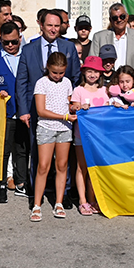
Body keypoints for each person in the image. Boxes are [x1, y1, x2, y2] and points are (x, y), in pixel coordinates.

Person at [16, 10, 81, 200]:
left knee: (63, 158)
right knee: (38, 155)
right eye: (49, 25)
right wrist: (23, 111)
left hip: (63, 111)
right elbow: (21, 81)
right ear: (41, 25)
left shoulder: (68, 47)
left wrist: (72, 103)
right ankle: (37, 194)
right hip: (36, 109)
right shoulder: (29, 49)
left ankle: (64, 193)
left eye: (56, 25)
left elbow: (75, 77)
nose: (53, 29)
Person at [30, 52, 75, 222]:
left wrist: (76, 106)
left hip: (64, 129)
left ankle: (59, 202)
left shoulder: (67, 83)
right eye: (55, 72)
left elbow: (69, 104)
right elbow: (41, 111)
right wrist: (64, 116)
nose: (58, 76)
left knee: (62, 166)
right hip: (46, 128)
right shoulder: (41, 83)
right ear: (47, 68)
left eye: (61, 72)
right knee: (43, 166)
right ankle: (36, 204)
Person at [0, 22, 28, 202]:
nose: (10, 46)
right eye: (6, 43)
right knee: (3, 150)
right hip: (4, 111)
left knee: (21, 149)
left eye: (14, 42)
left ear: (20, 38)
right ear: (0, 40)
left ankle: (21, 182)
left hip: (23, 110)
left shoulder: (26, 55)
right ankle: (2, 184)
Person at [70, 56, 109, 216]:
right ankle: (82, 200)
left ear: (100, 74)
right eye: (89, 71)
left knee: (94, 168)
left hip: (98, 136)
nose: (92, 74)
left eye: (96, 71)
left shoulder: (103, 91)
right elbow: (72, 107)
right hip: (81, 134)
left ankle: (92, 199)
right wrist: (79, 107)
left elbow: (108, 109)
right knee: (82, 167)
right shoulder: (78, 90)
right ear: (84, 72)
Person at [89, 3, 134, 69]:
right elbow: (92, 63)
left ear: (127, 17)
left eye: (122, 16)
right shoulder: (99, 37)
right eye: (115, 18)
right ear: (110, 20)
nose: (119, 20)